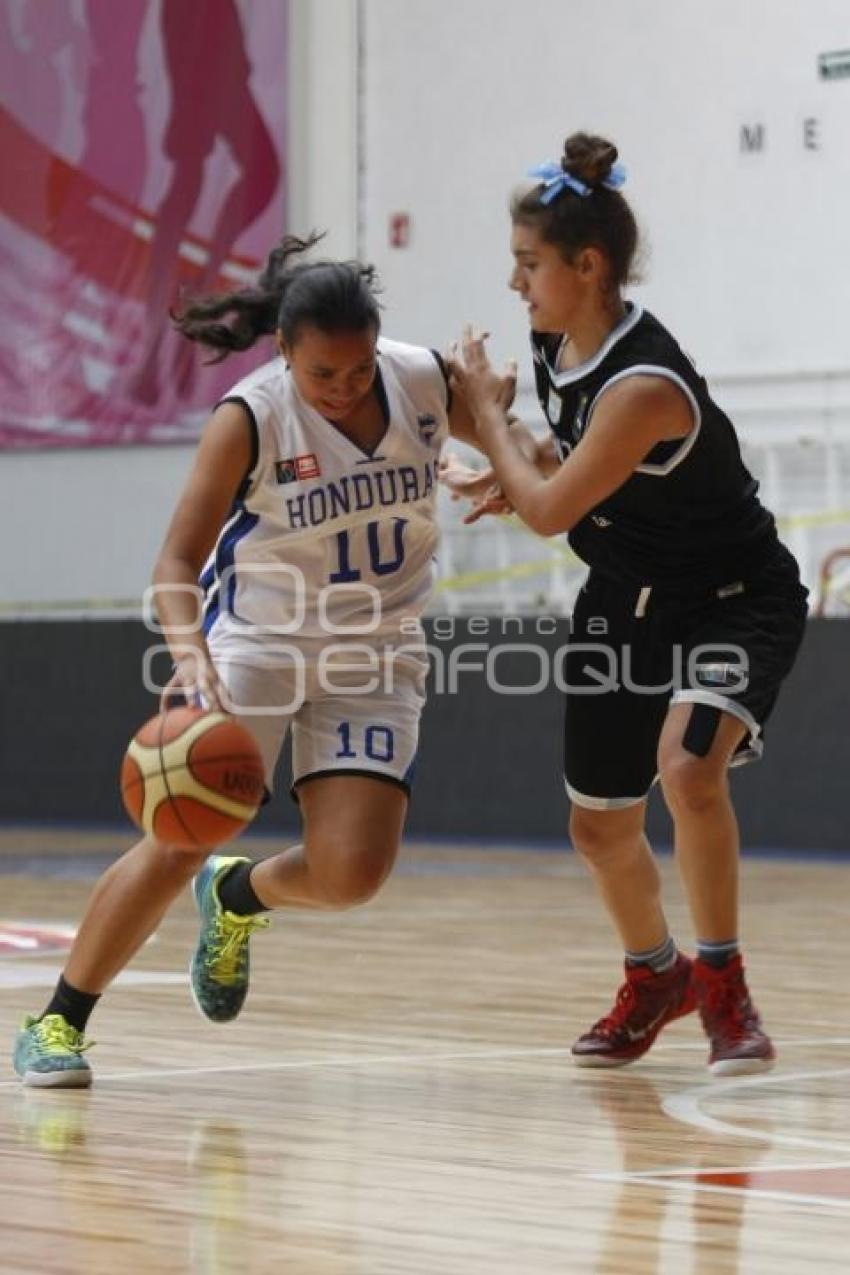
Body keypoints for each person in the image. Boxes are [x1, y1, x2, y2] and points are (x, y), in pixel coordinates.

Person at [12, 232, 539, 1088]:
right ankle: (58, 1019)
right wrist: (190, 657)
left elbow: (534, 466)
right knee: (179, 833)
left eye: (358, 369)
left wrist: (507, 461)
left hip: (379, 646)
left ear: (377, 345)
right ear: (285, 353)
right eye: (322, 374)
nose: (343, 388)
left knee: (352, 874)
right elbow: (176, 562)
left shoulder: (424, 381)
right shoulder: (248, 417)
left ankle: (238, 898)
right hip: (257, 641)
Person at [447, 133, 808, 1076]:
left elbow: (550, 511)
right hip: (625, 597)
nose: (517, 282)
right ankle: (657, 975)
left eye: (530, 264)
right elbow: (567, 470)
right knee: (599, 824)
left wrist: (492, 426)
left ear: (587, 263)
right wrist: (512, 456)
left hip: (733, 597)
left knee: (689, 770)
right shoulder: (557, 343)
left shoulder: (644, 382)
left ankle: (724, 984)